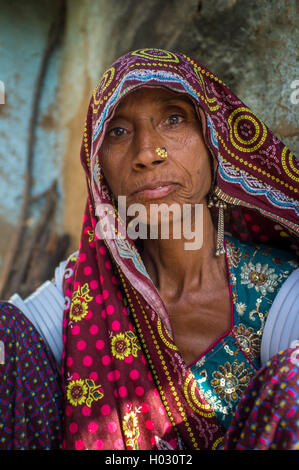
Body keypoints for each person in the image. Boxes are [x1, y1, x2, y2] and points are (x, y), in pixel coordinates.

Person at [1, 48, 298, 451]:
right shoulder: (87, 287)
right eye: (118, 131)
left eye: (174, 119)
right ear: (99, 168)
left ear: (215, 144)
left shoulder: (278, 296)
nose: (146, 153)